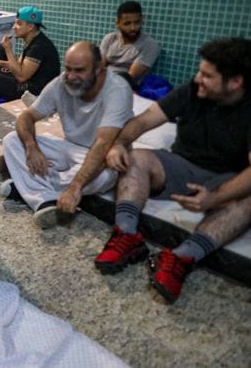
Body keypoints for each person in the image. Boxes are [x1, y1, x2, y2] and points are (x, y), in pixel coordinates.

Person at [96, 38, 251, 303]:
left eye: (207, 75)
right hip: (180, 166)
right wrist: (120, 143)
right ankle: (127, 234)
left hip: (227, 180)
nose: (198, 78)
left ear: (235, 82)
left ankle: (182, 256)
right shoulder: (192, 90)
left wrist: (215, 197)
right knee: (136, 158)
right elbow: (144, 120)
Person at [1, 41, 133, 228]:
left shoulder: (117, 90)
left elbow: (103, 144)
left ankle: (31, 190)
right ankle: (43, 194)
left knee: (106, 176)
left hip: (102, 155)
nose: (70, 76)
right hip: (69, 148)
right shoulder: (60, 83)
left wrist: (75, 187)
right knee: (12, 140)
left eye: (79, 70)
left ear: (98, 69)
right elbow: (26, 117)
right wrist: (32, 147)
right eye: (68, 69)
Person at [0, 6, 60, 100]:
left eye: (19, 24)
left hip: (34, 91)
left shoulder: (39, 46)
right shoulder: (33, 40)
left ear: (30, 26)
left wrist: (8, 49)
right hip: (28, 83)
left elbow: (21, 77)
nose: (14, 27)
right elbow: (18, 66)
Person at [99, 1, 160, 89]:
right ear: (118, 23)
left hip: (124, 87)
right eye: (127, 23)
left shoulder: (150, 44)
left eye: (137, 22)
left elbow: (129, 77)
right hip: (102, 83)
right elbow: (99, 66)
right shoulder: (110, 38)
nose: (133, 28)